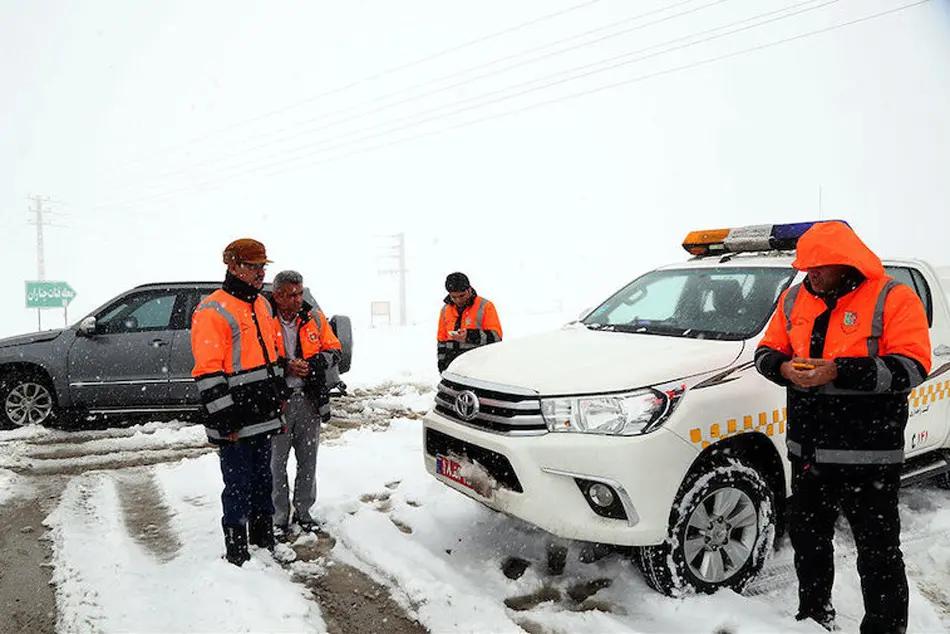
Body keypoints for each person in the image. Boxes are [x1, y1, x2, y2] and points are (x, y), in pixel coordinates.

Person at [755, 221, 931, 633]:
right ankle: (813, 617)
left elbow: (912, 367)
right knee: (809, 544)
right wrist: (783, 368)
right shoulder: (794, 298)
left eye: (820, 267)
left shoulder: (893, 298)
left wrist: (838, 371)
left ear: (846, 264)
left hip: (869, 456)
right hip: (808, 453)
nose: (810, 274)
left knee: (878, 552)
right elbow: (766, 350)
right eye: (806, 267)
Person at [191, 238, 289, 566]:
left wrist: (280, 394)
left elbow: (273, 355)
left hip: (262, 413)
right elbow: (207, 371)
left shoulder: (262, 304)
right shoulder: (211, 310)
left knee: (264, 480)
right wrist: (225, 417)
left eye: (263, 266)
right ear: (233, 266)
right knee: (237, 484)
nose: (261, 273)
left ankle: (263, 541)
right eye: (253, 267)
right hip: (234, 417)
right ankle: (237, 552)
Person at [268, 270, 342, 537]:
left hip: (309, 400)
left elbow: (334, 350)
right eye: (291, 295)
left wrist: (312, 366)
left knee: (307, 460)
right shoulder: (264, 319)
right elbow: (257, 360)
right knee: (276, 463)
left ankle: (304, 511)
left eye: (300, 293)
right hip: (278, 402)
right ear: (277, 295)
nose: (298, 299)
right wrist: (286, 366)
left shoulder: (314, 318)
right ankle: (278, 518)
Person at [436, 272, 503, 373]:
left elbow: (496, 337)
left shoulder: (485, 306)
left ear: (469, 290)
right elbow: (441, 341)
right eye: (454, 297)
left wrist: (469, 335)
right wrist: (442, 365)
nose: (458, 300)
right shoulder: (445, 310)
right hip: (453, 366)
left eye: (461, 296)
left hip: (478, 366)